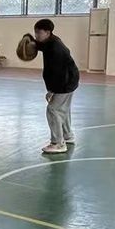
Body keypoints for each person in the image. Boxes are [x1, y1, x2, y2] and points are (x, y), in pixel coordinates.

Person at [32, 19, 79, 154]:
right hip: (70, 79)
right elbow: (41, 46)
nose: (36, 36)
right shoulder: (50, 41)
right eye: (35, 32)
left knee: (53, 109)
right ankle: (68, 136)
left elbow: (57, 73)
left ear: (47, 32)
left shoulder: (55, 49)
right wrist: (30, 41)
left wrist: (52, 91)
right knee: (62, 109)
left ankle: (58, 143)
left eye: (38, 33)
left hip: (65, 81)